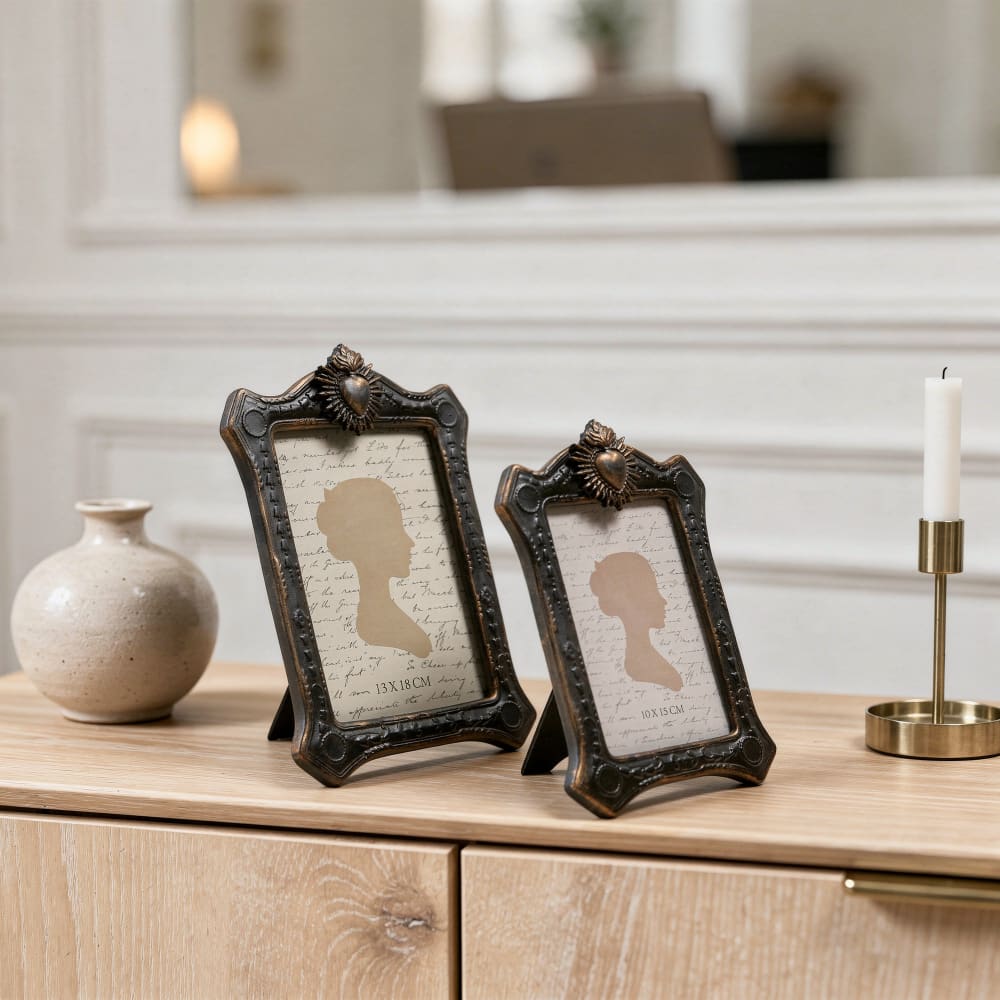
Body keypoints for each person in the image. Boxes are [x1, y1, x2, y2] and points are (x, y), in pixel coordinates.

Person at [316, 478, 432, 657]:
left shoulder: (386, 617)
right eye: (396, 529)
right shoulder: (379, 624)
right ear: (369, 543)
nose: (410, 542)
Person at [590, 551, 683, 690]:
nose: (664, 601)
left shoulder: (647, 657)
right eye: (653, 590)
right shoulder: (641, 664)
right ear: (631, 598)